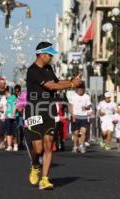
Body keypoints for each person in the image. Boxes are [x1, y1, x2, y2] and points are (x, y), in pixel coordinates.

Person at [25, 42, 82, 190]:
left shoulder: (49, 68)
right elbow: (50, 86)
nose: (51, 57)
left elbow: (56, 82)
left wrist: (71, 81)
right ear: (42, 54)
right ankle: (35, 164)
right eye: (50, 54)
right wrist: (71, 85)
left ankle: (45, 179)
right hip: (34, 110)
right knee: (37, 149)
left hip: (49, 109)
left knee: (49, 144)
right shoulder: (32, 71)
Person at [68, 83, 91, 154]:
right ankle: (75, 146)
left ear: (83, 90)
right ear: (77, 89)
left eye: (81, 89)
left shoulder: (86, 97)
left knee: (83, 132)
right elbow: (70, 106)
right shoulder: (73, 96)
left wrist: (85, 110)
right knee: (76, 133)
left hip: (83, 117)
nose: (80, 91)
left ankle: (81, 145)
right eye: (79, 89)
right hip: (75, 116)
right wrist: (72, 115)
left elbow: (89, 106)